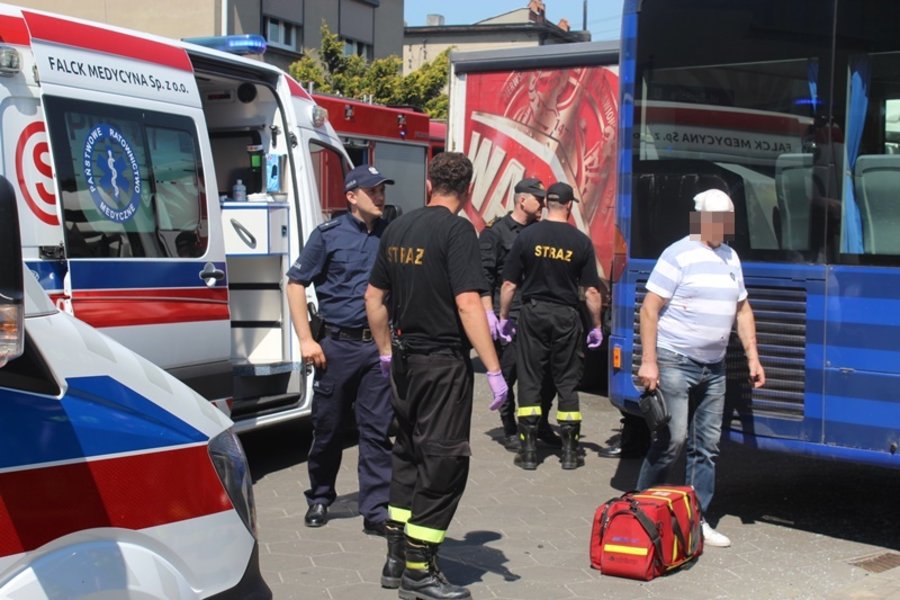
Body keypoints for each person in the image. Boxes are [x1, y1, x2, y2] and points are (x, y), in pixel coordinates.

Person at [365, 152, 508, 600]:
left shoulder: (398, 228)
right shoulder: (458, 230)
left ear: (429, 185)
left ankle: (394, 558)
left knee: (407, 454)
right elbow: (468, 302)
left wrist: (386, 352)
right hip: (443, 363)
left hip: (405, 362)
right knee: (444, 462)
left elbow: (373, 298)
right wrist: (495, 369)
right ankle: (419, 572)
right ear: (467, 191)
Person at [635, 188, 766, 548]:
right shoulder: (677, 255)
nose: (723, 229)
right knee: (672, 440)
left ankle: (696, 519)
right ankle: (641, 511)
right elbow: (649, 310)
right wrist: (649, 362)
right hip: (675, 360)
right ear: (702, 219)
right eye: (717, 221)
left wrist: (753, 357)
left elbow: (743, 310)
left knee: (706, 447)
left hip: (715, 367)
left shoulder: (730, 258)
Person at [285, 164, 395, 536]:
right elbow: (295, 283)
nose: (380, 197)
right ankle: (320, 495)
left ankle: (376, 510)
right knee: (328, 428)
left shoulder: (392, 235)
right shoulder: (328, 235)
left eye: (382, 190)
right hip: (337, 347)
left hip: (377, 348)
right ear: (352, 196)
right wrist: (305, 338)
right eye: (373, 191)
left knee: (376, 430)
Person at [499, 181, 603, 471]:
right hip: (567, 316)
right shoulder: (580, 241)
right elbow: (592, 292)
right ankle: (570, 452)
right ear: (569, 206)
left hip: (533, 314)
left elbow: (509, 284)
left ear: (546, 204)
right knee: (567, 381)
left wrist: (504, 318)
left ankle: (529, 451)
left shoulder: (527, 236)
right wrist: (596, 325)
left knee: (530, 379)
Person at [479, 177, 560, 452]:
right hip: (509, 316)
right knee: (509, 372)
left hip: (538, 312)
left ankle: (541, 422)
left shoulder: (542, 232)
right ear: (522, 200)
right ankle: (509, 426)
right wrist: (490, 314)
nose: (543, 205)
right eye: (539, 199)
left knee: (546, 373)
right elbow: (485, 277)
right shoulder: (496, 232)